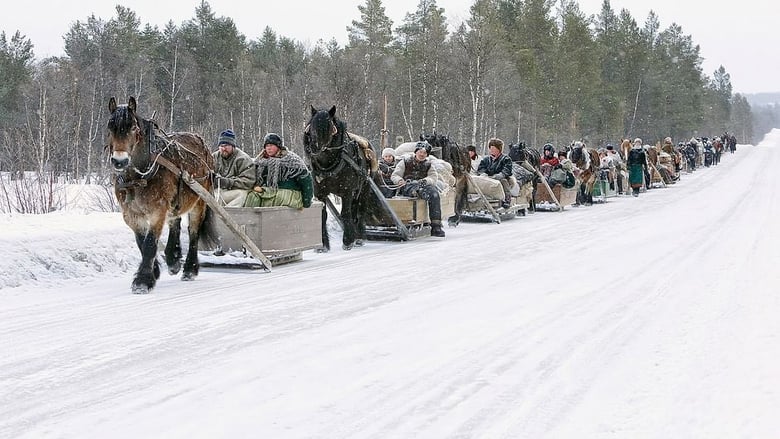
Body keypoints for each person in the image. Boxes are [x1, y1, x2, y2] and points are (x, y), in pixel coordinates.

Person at [243, 133, 313, 209]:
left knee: (277, 198)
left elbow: (306, 181)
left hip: (289, 193)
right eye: (267, 146)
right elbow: (252, 177)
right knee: (252, 197)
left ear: (278, 147)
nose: (269, 148)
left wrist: (306, 202)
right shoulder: (260, 161)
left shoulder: (292, 160)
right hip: (267, 192)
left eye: (271, 145)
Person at [391, 141, 446, 238]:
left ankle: (436, 226)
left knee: (434, 194)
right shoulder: (405, 161)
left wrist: (425, 181)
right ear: (416, 152)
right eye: (420, 152)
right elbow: (395, 175)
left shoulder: (429, 164)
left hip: (423, 185)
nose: (422, 154)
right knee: (415, 191)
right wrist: (399, 180)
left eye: (424, 153)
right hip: (408, 186)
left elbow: (433, 177)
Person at [212, 129, 256, 206]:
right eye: (221, 146)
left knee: (241, 195)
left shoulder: (243, 159)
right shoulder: (214, 157)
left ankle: (229, 215)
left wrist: (228, 182)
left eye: (226, 146)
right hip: (217, 191)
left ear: (233, 146)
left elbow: (248, 182)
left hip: (235, 191)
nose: (223, 148)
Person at [477, 138, 514, 208]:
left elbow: (507, 170)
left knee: (504, 181)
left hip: (502, 178)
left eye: (494, 149)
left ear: (499, 149)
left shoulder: (506, 159)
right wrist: (483, 174)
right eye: (491, 149)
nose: (491, 151)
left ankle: (507, 200)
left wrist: (500, 175)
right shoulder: (486, 159)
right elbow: (481, 168)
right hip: (488, 178)